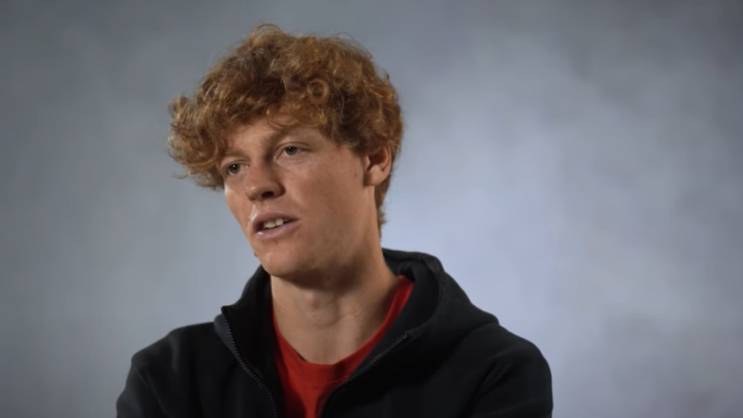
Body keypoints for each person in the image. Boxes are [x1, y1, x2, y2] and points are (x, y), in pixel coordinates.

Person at [116, 24, 552, 418]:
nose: (257, 186)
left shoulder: (493, 373)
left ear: (374, 158)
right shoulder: (169, 381)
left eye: (290, 150)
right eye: (234, 167)